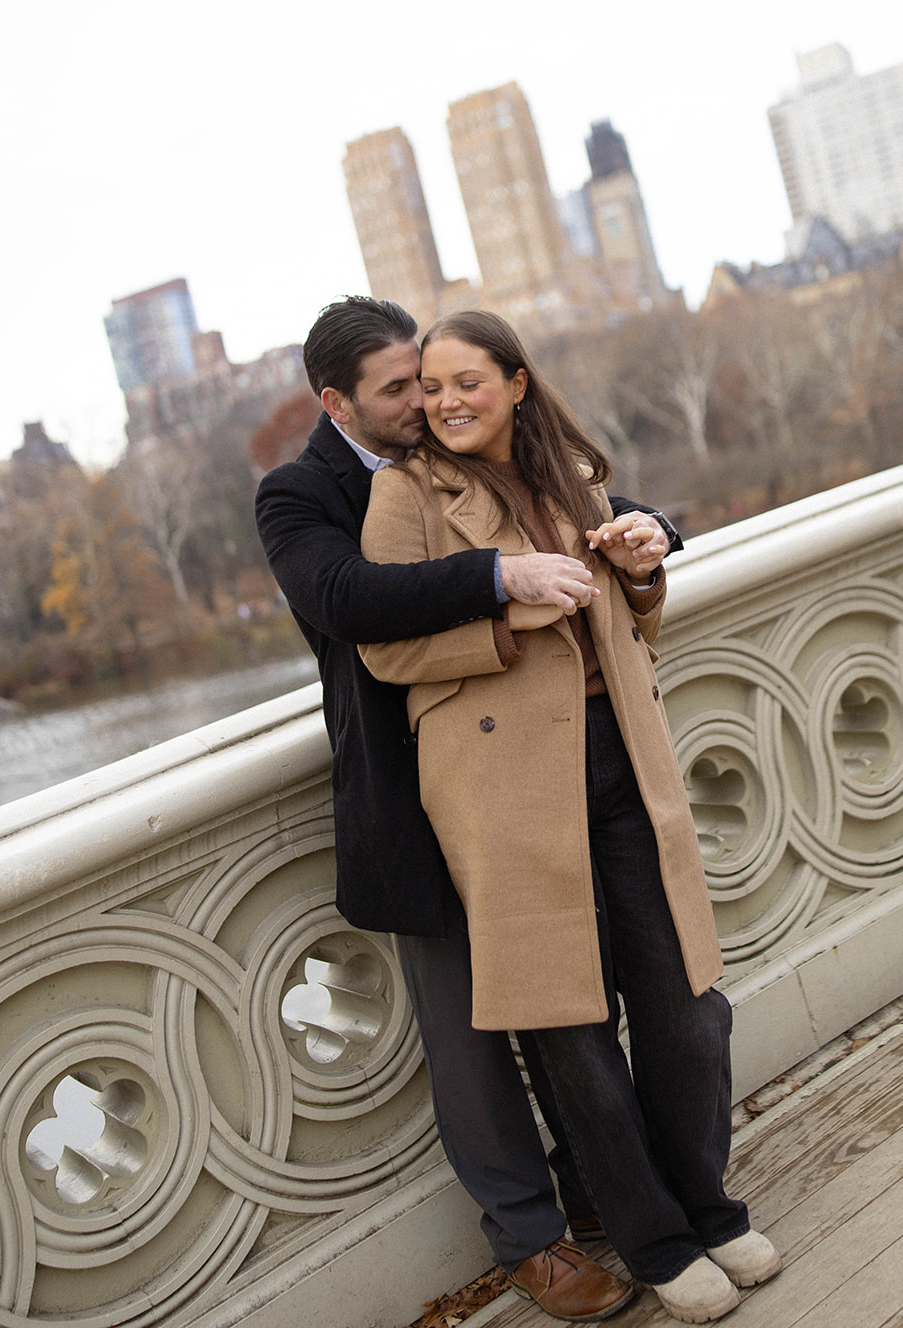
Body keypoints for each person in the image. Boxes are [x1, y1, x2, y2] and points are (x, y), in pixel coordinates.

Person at [256, 296, 678, 1322]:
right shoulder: (296, 494)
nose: (424, 401)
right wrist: (496, 577)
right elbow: (348, 600)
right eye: (399, 388)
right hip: (408, 793)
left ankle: (605, 1196)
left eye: (433, 378)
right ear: (336, 403)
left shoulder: (470, 446)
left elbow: (585, 503)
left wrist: (655, 526)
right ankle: (529, 1241)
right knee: (468, 1031)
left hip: (536, 769)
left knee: (584, 991)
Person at [358, 311, 781, 1326]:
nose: (445, 399)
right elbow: (385, 646)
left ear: (514, 383)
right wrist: (505, 624)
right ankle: (656, 1238)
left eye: (467, 381)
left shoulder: (570, 475)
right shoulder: (404, 494)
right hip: (506, 785)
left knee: (684, 1002)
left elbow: (635, 615)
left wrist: (639, 564)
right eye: (431, 383)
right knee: (571, 1029)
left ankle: (706, 1205)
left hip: (621, 760)